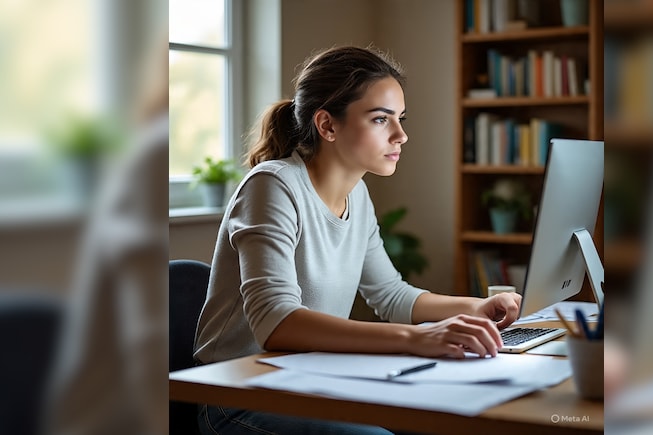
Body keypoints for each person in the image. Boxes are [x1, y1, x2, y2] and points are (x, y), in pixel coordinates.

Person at [194, 45, 522, 435]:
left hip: (311, 384)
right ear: (327, 125)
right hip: (237, 398)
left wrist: (477, 306)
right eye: (381, 119)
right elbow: (276, 323)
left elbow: (392, 295)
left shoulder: (357, 196)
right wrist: (417, 338)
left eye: (400, 119)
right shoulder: (272, 185)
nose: (401, 135)